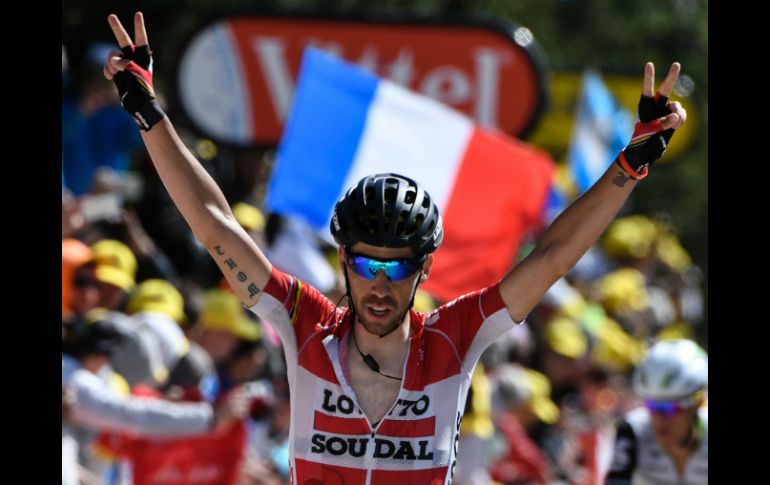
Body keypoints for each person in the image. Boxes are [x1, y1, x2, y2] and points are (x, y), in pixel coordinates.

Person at [102, 11, 686, 483]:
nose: (380, 283)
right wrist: (147, 111)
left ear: (424, 268)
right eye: (365, 263)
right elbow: (214, 225)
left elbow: (553, 255)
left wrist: (630, 165)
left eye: (398, 268)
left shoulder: (456, 338)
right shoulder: (304, 323)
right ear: (342, 261)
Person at [605, 339, 707, 484]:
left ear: (698, 403)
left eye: (669, 408)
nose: (659, 418)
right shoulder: (633, 431)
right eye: (651, 406)